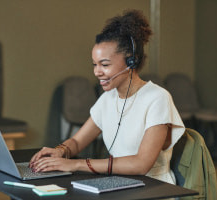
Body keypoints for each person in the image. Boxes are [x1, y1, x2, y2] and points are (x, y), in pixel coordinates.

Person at [29, 9, 185, 184]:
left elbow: (141, 165)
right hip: (119, 184)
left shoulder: (158, 98)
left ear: (130, 61)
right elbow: (77, 142)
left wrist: (75, 164)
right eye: (95, 64)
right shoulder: (107, 99)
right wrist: (60, 151)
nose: (97, 72)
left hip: (154, 188)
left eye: (104, 64)